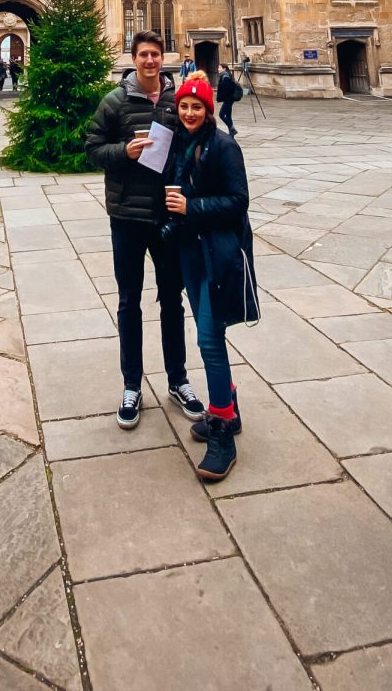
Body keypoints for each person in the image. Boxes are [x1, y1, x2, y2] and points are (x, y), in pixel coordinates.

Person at [85, 31, 205, 430]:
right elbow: (92, 149)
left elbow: (198, 142)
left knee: (173, 300)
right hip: (127, 217)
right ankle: (132, 385)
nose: (151, 61)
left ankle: (178, 380)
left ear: (162, 58)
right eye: (144, 55)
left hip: (168, 217)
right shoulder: (115, 102)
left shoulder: (177, 101)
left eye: (156, 54)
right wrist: (124, 152)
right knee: (128, 301)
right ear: (133, 59)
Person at [164, 73, 259, 481]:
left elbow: (239, 201)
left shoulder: (224, 146)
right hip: (191, 252)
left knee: (208, 337)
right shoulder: (179, 145)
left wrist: (191, 207)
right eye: (184, 106)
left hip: (216, 253)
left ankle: (222, 429)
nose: (189, 112)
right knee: (208, 332)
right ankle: (229, 406)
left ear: (208, 110)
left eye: (196, 106)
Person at [216, 63, 241, 137]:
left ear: (224, 69)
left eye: (219, 68)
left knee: (221, 114)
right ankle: (231, 132)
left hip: (228, 99)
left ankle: (232, 129)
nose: (218, 69)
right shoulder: (225, 75)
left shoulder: (225, 76)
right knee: (228, 115)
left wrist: (223, 95)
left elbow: (229, 88)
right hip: (229, 99)